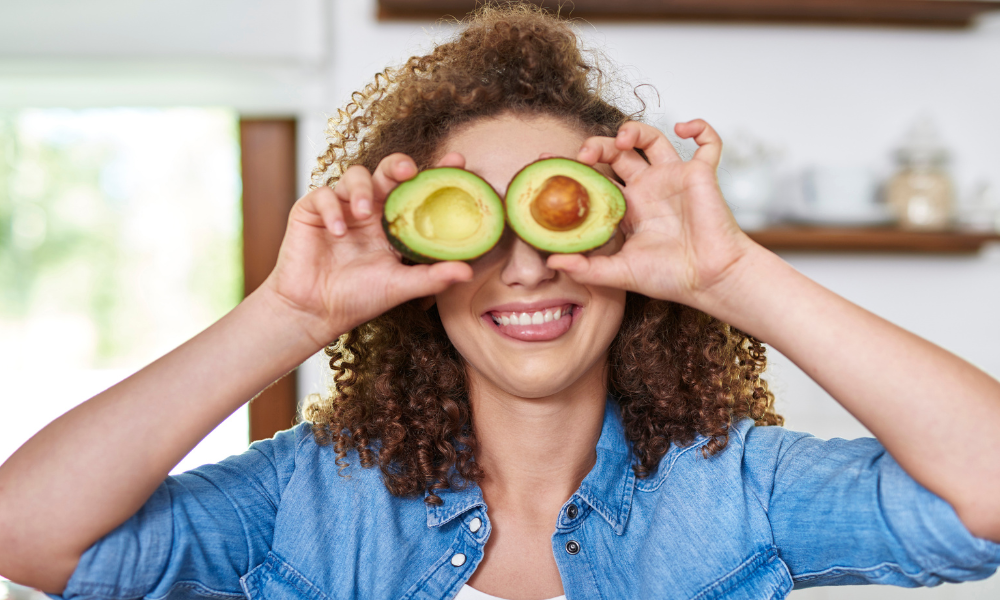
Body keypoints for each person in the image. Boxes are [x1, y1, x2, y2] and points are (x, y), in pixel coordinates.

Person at [1, 5, 999, 600]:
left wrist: (732, 278)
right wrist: (289, 317)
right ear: (414, 258)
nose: (524, 268)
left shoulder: (735, 490)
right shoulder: (309, 499)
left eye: (564, 218)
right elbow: (31, 533)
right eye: (474, 225)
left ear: (622, 242)